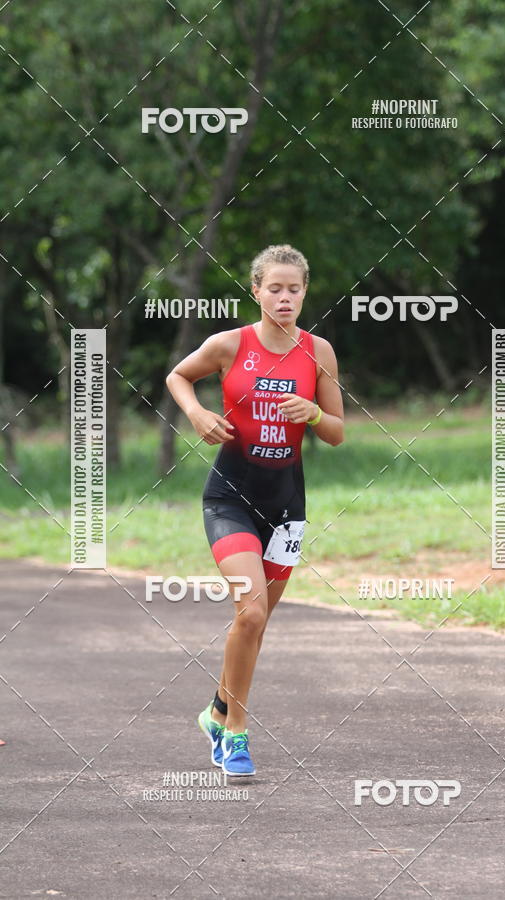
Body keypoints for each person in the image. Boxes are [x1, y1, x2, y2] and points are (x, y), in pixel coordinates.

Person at [166, 244, 344, 776]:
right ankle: (235, 736)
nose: (284, 297)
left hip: (286, 505)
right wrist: (196, 412)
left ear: (304, 292)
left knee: (255, 625)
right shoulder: (228, 345)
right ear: (256, 290)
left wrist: (313, 411)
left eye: (293, 289)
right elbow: (178, 376)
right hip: (229, 498)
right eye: (274, 288)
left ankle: (217, 712)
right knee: (251, 611)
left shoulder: (319, 353)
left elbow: (337, 433)